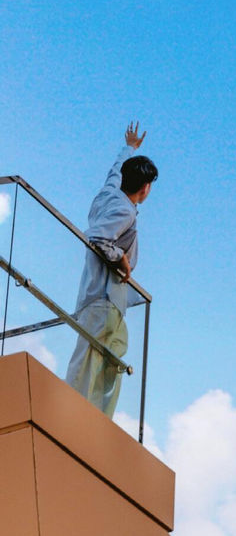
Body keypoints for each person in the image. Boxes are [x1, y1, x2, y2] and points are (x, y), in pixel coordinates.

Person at [66, 122, 158, 418]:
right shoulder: (125, 210)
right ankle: (82, 413)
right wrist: (121, 258)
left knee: (110, 354)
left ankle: (91, 410)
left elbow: (115, 171)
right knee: (92, 356)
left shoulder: (109, 193)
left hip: (99, 295)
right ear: (145, 188)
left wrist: (129, 148)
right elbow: (96, 238)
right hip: (104, 297)